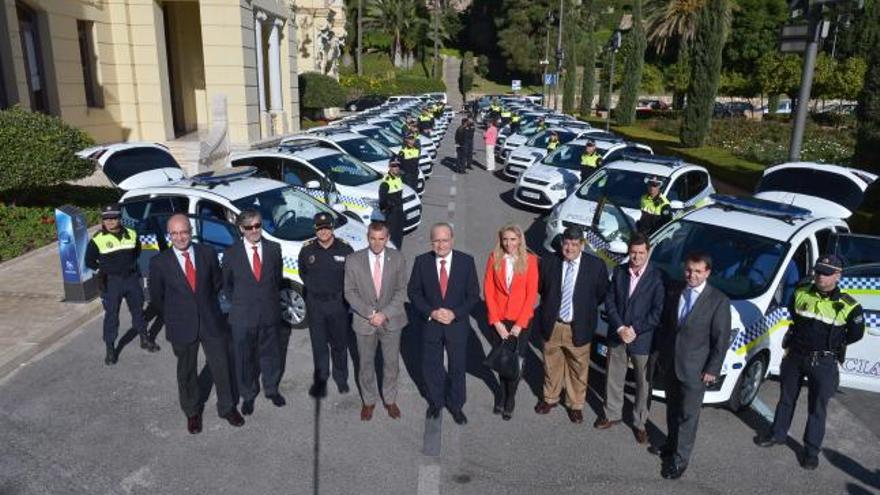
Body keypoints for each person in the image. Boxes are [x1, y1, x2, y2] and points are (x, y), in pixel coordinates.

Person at [756, 255, 864, 470]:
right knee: (786, 399)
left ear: (838, 275)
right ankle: (777, 434)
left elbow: (855, 333)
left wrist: (833, 346)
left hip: (823, 361)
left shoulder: (849, 306)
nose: (820, 276)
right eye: (817, 271)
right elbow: (794, 315)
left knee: (817, 408)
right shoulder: (801, 291)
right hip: (796, 356)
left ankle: (811, 451)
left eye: (826, 273)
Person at [148, 214, 244, 434]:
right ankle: (192, 413)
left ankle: (227, 408)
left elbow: (217, 283)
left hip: (211, 321)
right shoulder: (159, 263)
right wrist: (176, 315)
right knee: (187, 372)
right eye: (175, 233)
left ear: (190, 232)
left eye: (184, 232)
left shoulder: (206, 253)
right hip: (182, 325)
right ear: (169, 235)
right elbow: (157, 298)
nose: (180, 237)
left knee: (221, 367)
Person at [653, 252, 731, 480]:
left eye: (697, 271)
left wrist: (712, 369)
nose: (692, 275)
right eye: (688, 270)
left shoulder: (718, 300)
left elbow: (721, 340)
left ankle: (679, 460)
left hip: (696, 371)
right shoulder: (675, 290)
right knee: (672, 410)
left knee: (688, 416)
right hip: (671, 364)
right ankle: (671, 443)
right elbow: (668, 327)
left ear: (707, 272)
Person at [594, 233, 665, 444]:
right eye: (633, 252)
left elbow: (657, 310)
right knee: (613, 376)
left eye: (641, 253)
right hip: (618, 334)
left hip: (642, 338)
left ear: (648, 252)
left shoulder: (657, 277)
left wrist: (634, 329)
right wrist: (620, 327)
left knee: (643, 384)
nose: (636, 257)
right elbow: (610, 300)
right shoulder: (619, 271)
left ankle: (640, 423)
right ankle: (611, 414)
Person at [534, 226, 609, 424]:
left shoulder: (596, 266)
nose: (570, 248)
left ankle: (575, 405)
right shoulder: (550, 261)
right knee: (551, 365)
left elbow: (601, 294)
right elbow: (542, 288)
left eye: (575, 244)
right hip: (553, 324)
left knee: (578, 368)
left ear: (582, 246)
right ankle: (550, 398)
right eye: (566, 243)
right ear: (561, 243)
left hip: (579, 326)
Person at [408, 222, 480, 425]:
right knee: (432, 366)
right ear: (432, 242)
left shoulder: (466, 262)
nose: (441, 245)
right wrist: (431, 312)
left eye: (445, 240)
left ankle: (456, 405)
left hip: (456, 325)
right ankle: (436, 402)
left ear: (452, 240)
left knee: (457, 367)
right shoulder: (421, 262)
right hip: (431, 324)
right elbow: (414, 292)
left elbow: (473, 295)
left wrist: (454, 313)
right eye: (436, 241)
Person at [222, 209, 285, 416]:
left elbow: (277, 280)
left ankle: (271, 389)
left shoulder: (274, 249)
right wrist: (242, 304)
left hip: (269, 313)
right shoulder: (231, 254)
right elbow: (227, 285)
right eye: (249, 227)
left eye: (258, 225)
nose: (254, 230)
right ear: (241, 229)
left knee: (271, 354)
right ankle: (248, 395)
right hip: (242, 316)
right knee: (244, 358)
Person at [344, 222, 409, 421]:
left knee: (391, 364)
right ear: (368, 237)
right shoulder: (353, 260)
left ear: (388, 238)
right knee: (365, 364)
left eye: (381, 238)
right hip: (365, 321)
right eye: (373, 238)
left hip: (391, 320)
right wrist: (369, 313)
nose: (377, 243)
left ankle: (389, 400)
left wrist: (385, 313)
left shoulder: (397, 258)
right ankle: (369, 401)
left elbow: (401, 291)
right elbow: (350, 292)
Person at [85, 204, 156, 365]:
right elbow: (89, 261)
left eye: (113, 218)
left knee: (138, 310)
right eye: (106, 218)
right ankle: (110, 348)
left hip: (131, 279)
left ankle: (144, 338)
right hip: (111, 282)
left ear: (119, 219)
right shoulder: (98, 239)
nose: (110, 221)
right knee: (111, 316)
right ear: (103, 221)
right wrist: (102, 271)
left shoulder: (131, 234)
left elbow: (136, 252)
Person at [483, 224, 539, 420]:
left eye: (513, 239)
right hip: (499, 319)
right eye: (505, 239)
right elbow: (488, 291)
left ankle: (510, 399)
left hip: (520, 322)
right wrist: (496, 322)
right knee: (501, 359)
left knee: (515, 361)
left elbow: (531, 295)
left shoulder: (530, 261)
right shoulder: (494, 258)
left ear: (520, 240)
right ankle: (501, 394)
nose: (509, 243)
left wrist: (518, 325)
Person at [298, 212, 354, 399]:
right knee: (319, 345)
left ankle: (341, 378)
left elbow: (352, 277)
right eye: (319, 228)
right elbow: (302, 272)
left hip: (338, 304)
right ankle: (321, 378)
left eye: (326, 227)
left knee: (339, 345)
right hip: (316, 305)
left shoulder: (345, 249)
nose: (323, 232)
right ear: (315, 230)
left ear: (332, 228)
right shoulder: (307, 250)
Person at [378, 158, 405, 248]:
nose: (396, 168)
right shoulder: (386, 182)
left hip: (399, 211)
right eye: (394, 166)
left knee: (399, 234)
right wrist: (387, 209)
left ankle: (398, 251)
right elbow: (382, 200)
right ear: (389, 167)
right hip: (392, 213)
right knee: (392, 235)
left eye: (398, 165)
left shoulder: (398, 177)